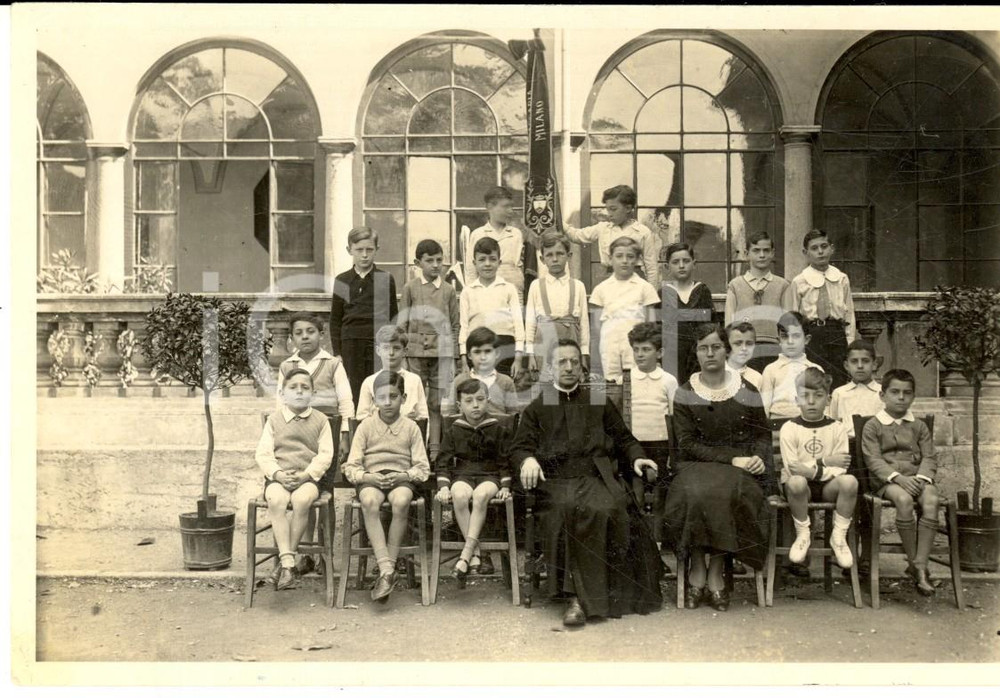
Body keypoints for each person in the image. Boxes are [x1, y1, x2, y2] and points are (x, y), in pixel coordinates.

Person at [510, 339, 663, 627]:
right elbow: (519, 447)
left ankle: (600, 595)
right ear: (551, 369)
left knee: (606, 508)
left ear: (581, 367)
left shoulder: (598, 401)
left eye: (573, 362)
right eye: (561, 362)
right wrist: (527, 460)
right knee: (568, 510)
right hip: (556, 482)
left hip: (596, 477)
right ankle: (573, 598)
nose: (569, 367)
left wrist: (638, 459)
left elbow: (624, 439)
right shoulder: (538, 407)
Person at [662, 323, 777, 612]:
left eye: (715, 346)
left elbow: (762, 433)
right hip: (695, 464)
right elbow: (686, 443)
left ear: (726, 350)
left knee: (727, 493)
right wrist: (730, 459)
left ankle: (715, 572)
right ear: (696, 353)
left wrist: (759, 458)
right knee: (696, 494)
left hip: (739, 468)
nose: (710, 353)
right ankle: (697, 567)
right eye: (703, 348)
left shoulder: (746, 389)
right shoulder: (686, 392)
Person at [275, 312, 354, 577]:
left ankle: (325, 555)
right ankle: (306, 553)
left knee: (324, 492)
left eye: (310, 331)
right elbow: (279, 404)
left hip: (326, 433)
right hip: (296, 436)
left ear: (322, 335)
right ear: (291, 338)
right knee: (302, 492)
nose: (305, 337)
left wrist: (344, 435)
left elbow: (346, 402)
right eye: (299, 333)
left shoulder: (332, 364)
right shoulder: (287, 366)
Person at [342, 371, 430, 602]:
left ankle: (386, 570)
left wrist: (404, 475)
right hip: (372, 478)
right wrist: (367, 477)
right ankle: (387, 569)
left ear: (404, 397)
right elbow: (351, 466)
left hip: (401, 478)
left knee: (401, 501)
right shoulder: (365, 427)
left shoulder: (411, 428)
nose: (387, 402)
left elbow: (422, 468)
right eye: (381, 398)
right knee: (370, 501)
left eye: (393, 396)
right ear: (374, 400)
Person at [255, 368, 335, 590]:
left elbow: (326, 454)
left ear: (313, 393)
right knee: (276, 501)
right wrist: (278, 474)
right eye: (293, 387)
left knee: (302, 501)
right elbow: (263, 454)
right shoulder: (274, 420)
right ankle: (289, 562)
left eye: (305, 387)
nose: (299, 392)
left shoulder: (321, 420)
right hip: (279, 477)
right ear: (282, 393)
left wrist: (306, 475)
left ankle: (284, 564)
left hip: (307, 478)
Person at [861, 369, 939, 596]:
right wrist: (899, 479)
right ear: (882, 395)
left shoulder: (919, 426)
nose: (901, 397)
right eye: (895, 392)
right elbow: (873, 460)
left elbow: (930, 456)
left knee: (932, 498)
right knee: (904, 500)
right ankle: (916, 566)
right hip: (888, 481)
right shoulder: (873, 426)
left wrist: (921, 478)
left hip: (917, 478)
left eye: (907, 393)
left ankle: (919, 565)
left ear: (913, 396)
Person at [779, 367, 857, 569]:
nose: (811, 402)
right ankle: (803, 534)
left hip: (827, 488)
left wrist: (814, 470)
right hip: (799, 491)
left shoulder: (837, 428)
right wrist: (824, 462)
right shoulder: (789, 428)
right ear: (797, 400)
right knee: (796, 481)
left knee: (850, 482)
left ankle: (838, 537)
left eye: (818, 396)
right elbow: (793, 468)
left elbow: (842, 467)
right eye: (805, 396)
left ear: (828, 399)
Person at [435, 378, 513, 583]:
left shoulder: (497, 428)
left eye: (480, 399)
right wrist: (444, 486)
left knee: (480, 496)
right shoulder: (454, 429)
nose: (475, 405)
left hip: (489, 476)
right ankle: (474, 554)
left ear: (488, 400)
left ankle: (466, 555)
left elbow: (504, 459)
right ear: (460, 405)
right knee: (458, 495)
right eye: (469, 401)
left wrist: (505, 485)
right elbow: (442, 460)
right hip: (463, 475)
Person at [398, 239, 461, 458]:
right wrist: (403, 356)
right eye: (429, 260)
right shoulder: (410, 288)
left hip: (441, 355)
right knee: (413, 402)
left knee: (436, 403)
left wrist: (453, 355)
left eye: (439, 260)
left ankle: (435, 451)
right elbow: (401, 324)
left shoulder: (448, 291)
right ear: (418, 262)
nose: (435, 265)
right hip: (415, 354)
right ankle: (411, 452)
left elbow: (455, 325)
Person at [330, 226, 399, 402]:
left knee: (378, 388)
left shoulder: (385, 279)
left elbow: (393, 317)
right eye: (359, 250)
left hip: (377, 344)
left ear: (377, 249)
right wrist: (337, 352)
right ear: (349, 250)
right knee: (352, 391)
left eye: (369, 249)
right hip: (350, 344)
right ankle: (355, 429)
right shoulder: (342, 280)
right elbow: (336, 319)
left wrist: (389, 347)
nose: (364, 255)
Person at [588, 236, 659, 383]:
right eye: (619, 256)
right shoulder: (601, 289)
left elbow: (651, 326)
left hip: (636, 346)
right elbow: (596, 329)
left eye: (630, 256)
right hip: (609, 345)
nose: (625, 261)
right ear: (611, 258)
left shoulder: (645, 288)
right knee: (611, 383)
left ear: (637, 259)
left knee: (636, 381)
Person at [724, 231, 796, 373]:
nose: (762, 255)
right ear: (746, 253)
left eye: (766, 250)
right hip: (744, 348)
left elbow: (789, 321)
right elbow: (729, 322)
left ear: (772, 253)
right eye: (756, 250)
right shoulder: (735, 285)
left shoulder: (782, 285)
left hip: (774, 349)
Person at [792, 229, 856, 390]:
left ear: (831, 248)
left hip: (836, 333)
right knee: (814, 381)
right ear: (805, 253)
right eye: (814, 248)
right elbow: (794, 316)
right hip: (813, 335)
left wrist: (849, 341)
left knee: (839, 381)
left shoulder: (841, 278)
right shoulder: (799, 281)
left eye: (824, 246)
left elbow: (849, 313)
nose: (820, 252)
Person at [524, 230, 591, 381]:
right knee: (546, 387)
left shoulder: (578, 286)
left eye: (560, 254)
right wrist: (530, 354)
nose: (555, 259)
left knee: (570, 382)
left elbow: (584, 324)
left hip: (571, 341)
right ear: (542, 259)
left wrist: (584, 354)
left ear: (569, 256)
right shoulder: (536, 286)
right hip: (543, 343)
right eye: (549, 255)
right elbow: (530, 323)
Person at [564, 184, 659, 286]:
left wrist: (652, 296)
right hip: (610, 279)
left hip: (636, 281)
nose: (609, 214)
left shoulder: (642, 232)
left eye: (613, 209)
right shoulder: (602, 228)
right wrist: (559, 221)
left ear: (628, 208)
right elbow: (576, 235)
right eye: (608, 209)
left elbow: (651, 267)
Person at [459, 236, 525, 380]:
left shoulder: (508, 288)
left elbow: (518, 325)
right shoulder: (468, 291)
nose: (487, 264)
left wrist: (518, 358)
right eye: (482, 260)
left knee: (502, 389)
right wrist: (464, 359)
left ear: (499, 262)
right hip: (477, 347)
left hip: (504, 347)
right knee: (478, 390)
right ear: (474, 263)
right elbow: (463, 326)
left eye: (492, 259)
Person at [626, 321, 678, 499]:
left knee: (660, 491)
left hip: (660, 444)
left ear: (660, 353)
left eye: (646, 349)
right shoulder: (626, 379)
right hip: (634, 445)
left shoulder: (668, 380)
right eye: (636, 349)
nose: (639, 355)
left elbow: (673, 416)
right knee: (635, 491)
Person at [660, 242, 714, 385]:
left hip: (698, 352)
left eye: (686, 261)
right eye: (676, 262)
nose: (681, 265)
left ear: (694, 263)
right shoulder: (664, 293)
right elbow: (657, 328)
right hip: (671, 354)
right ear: (667, 266)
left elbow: (710, 324)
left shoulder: (702, 291)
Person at [465, 185, 526, 303]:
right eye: (505, 207)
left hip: (513, 294)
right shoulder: (478, 234)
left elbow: (520, 267)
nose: (510, 211)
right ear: (490, 207)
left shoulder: (516, 234)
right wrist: (473, 296)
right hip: (486, 294)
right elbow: (471, 270)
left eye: (511, 207)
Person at [355, 325, 429, 422]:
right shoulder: (369, 382)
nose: (391, 353)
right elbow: (361, 418)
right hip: (377, 434)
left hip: (408, 434)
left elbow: (423, 417)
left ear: (405, 351)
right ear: (378, 350)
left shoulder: (414, 380)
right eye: (386, 348)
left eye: (396, 348)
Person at [443, 327, 520, 418]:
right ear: (469, 355)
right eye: (477, 352)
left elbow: (513, 416)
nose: (483, 357)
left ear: (497, 353)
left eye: (488, 351)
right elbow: (451, 415)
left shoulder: (506, 382)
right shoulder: (459, 381)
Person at [760, 311, 821, 420]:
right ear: (778, 340)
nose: (790, 341)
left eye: (796, 336)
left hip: (807, 422)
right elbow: (765, 405)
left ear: (806, 339)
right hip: (778, 422)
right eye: (785, 336)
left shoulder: (815, 369)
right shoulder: (771, 370)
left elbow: (822, 402)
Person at [829, 339, 883, 438]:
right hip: (847, 446)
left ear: (874, 364)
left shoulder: (883, 393)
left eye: (865, 361)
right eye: (854, 361)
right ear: (846, 365)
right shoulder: (839, 393)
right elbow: (833, 425)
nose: (860, 366)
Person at [726, 321, 763, 391]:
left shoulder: (757, 378)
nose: (744, 348)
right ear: (726, 345)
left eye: (749, 344)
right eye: (738, 344)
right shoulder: (716, 375)